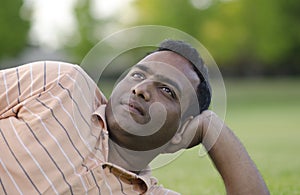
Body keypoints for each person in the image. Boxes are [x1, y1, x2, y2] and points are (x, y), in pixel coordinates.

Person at [0, 40, 269, 194]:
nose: (140, 89)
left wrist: (211, 127)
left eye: (167, 90)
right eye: (138, 75)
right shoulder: (63, 83)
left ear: (180, 134)